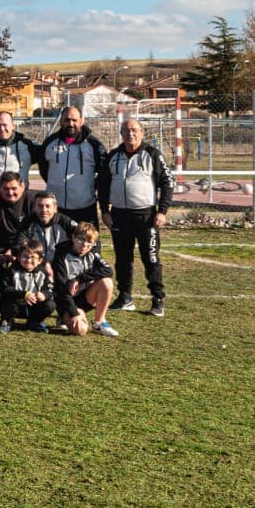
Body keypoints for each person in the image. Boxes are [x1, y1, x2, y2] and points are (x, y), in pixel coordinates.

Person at [101, 117, 173, 316]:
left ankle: (157, 300)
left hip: (146, 216)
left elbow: (168, 183)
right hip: (119, 216)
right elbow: (103, 185)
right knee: (122, 259)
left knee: (150, 258)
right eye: (126, 131)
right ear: (121, 134)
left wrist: (162, 211)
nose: (130, 134)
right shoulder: (113, 156)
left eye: (134, 130)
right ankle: (125, 297)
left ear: (142, 132)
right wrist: (105, 211)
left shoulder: (153, 155)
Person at [38, 106, 107, 225]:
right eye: (66, 120)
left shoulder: (93, 145)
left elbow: (104, 172)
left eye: (74, 120)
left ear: (82, 121)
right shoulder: (49, 143)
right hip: (56, 209)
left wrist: (90, 187)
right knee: (58, 244)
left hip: (85, 208)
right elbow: (44, 169)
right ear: (61, 122)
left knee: (88, 243)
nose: (70, 123)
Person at [52, 223, 119, 337]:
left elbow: (108, 271)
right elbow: (60, 287)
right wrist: (74, 312)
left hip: (84, 298)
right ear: (73, 237)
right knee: (81, 330)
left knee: (107, 282)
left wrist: (79, 279)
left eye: (89, 242)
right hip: (65, 301)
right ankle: (64, 317)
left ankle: (99, 323)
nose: (85, 244)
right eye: (81, 239)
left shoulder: (92, 253)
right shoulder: (61, 254)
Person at [0, 111, 36, 196]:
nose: (2, 128)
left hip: (19, 199)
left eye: (5, 125)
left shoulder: (27, 146)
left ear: (13, 126)